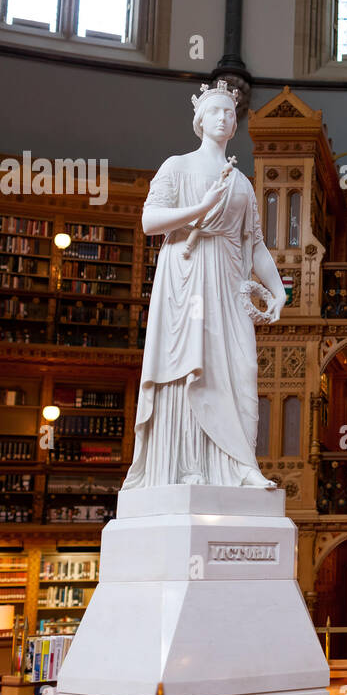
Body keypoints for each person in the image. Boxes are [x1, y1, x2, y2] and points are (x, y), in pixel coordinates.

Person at [122, 80, 286, 489]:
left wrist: (280, 290)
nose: (225, 117)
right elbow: (149, 221)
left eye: (230, 113)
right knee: (191, 367)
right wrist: (200, 207)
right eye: (216, 111)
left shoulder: (243, 183)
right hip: (188, 274)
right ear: (200, 119)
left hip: (230, 280)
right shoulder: (177, 166)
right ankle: (187, 465)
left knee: (240, 369)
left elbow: (258, 246)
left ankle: (240, 465)